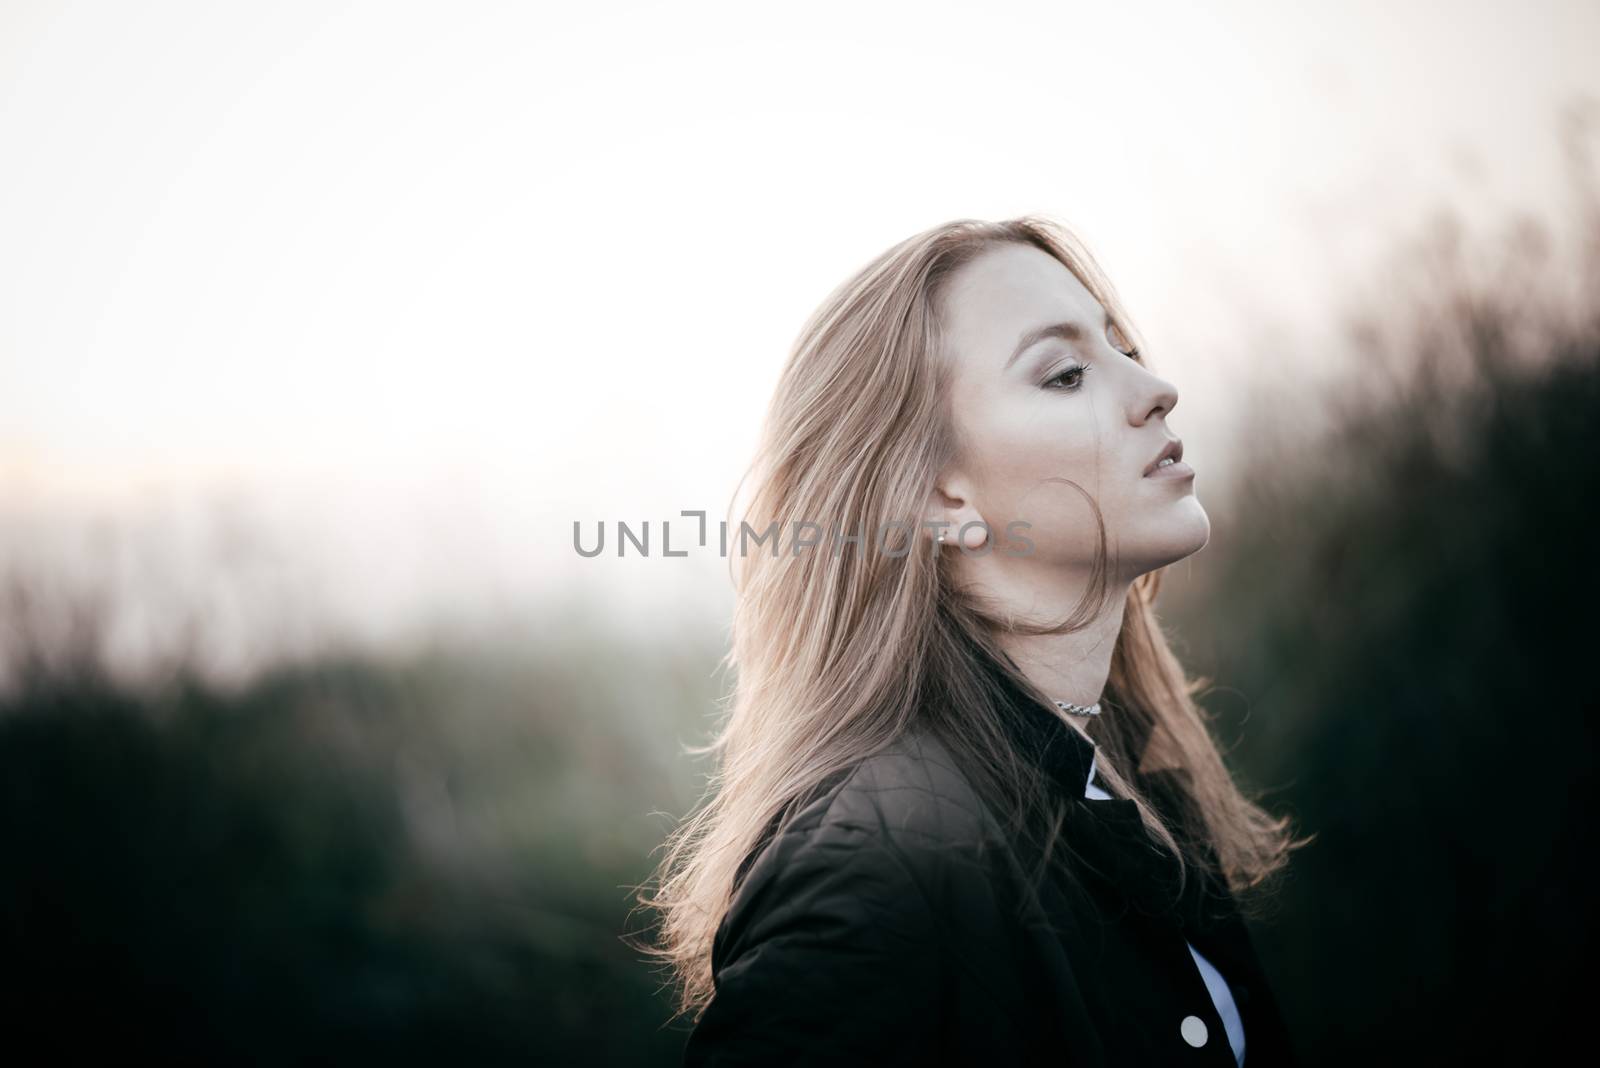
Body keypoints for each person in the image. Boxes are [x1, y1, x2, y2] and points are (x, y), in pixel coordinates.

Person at [635, 215, 1312, 1065]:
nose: (1155, 387)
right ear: (939, 497)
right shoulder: (874, 857)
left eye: (1124, 349)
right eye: (1066, 375)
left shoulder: (1131, 785)